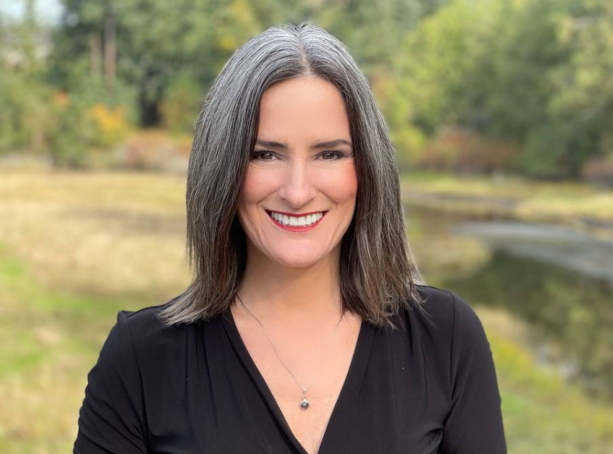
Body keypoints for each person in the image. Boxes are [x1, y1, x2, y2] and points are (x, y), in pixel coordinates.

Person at [73, 23, 506, 454]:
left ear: (368, 168)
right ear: (222, 168)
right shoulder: (142, 360)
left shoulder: (444, 339)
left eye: (329, 154)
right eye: (265, 155)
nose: (297, 192)